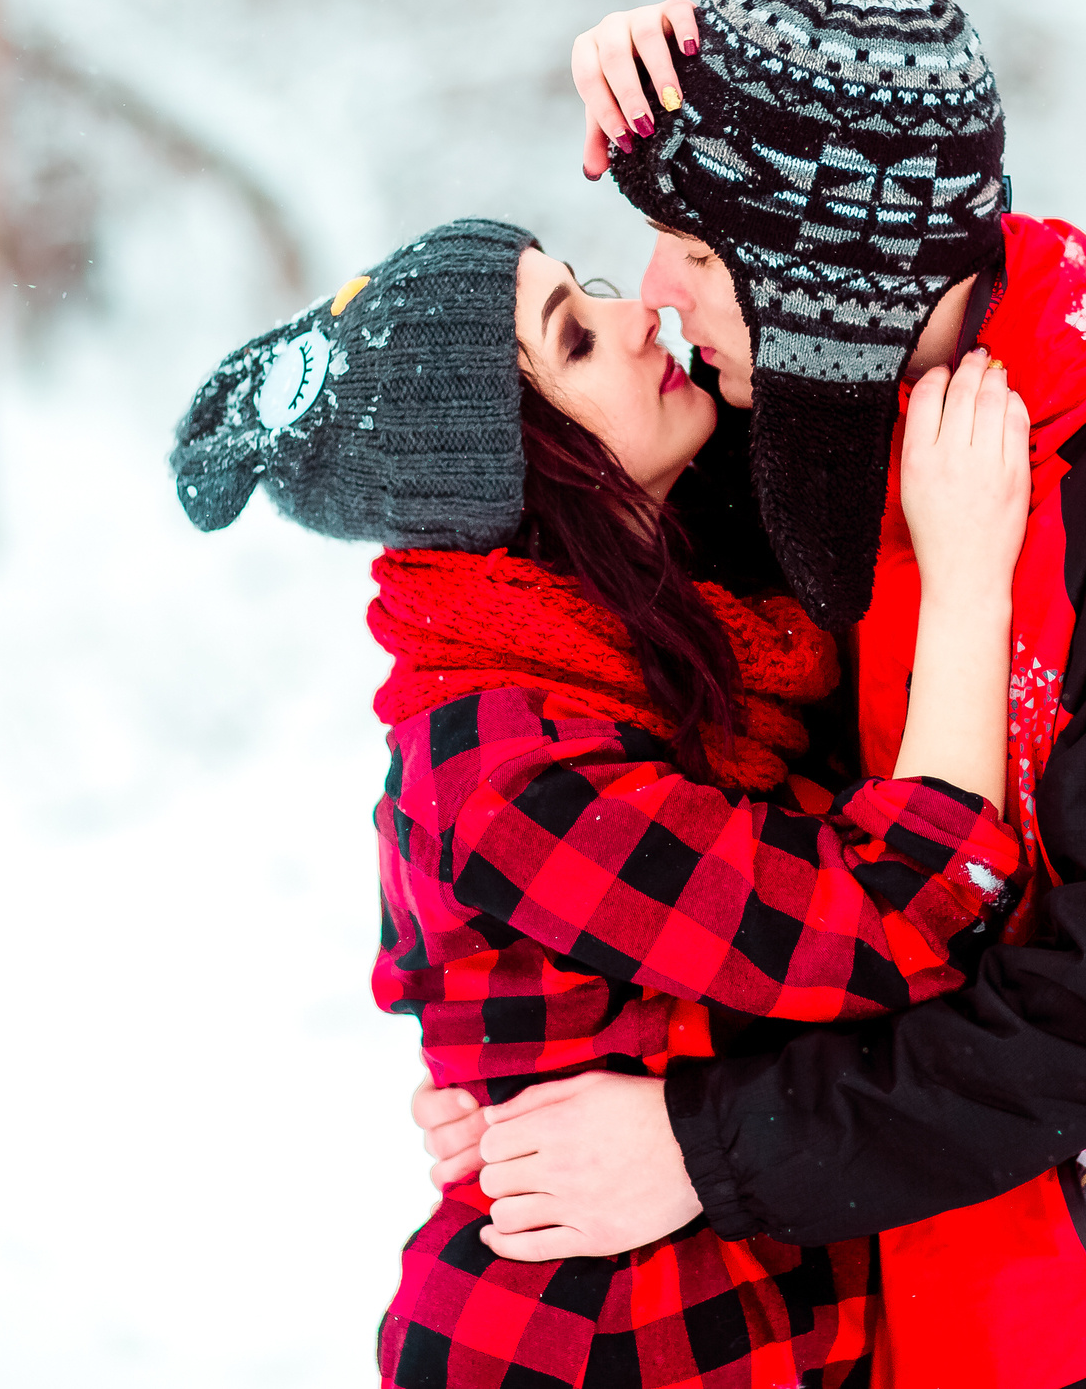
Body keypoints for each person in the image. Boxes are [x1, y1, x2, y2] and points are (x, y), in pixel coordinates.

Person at [414, 0, 1086, 1387]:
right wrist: (532, 1064)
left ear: (830, 279)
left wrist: (702, 1147)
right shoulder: (802, 438)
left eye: (696, 255)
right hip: (906, 1302)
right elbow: (687, 822)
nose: (656, 296)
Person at [168, 216, 1036, 1387]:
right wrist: (971, 575)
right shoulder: (511, 772)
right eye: (573, 339)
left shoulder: (645, 665)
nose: (641, 315)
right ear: (517, 474)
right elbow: (897, 914)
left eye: (589, 289)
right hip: (600, 1350)